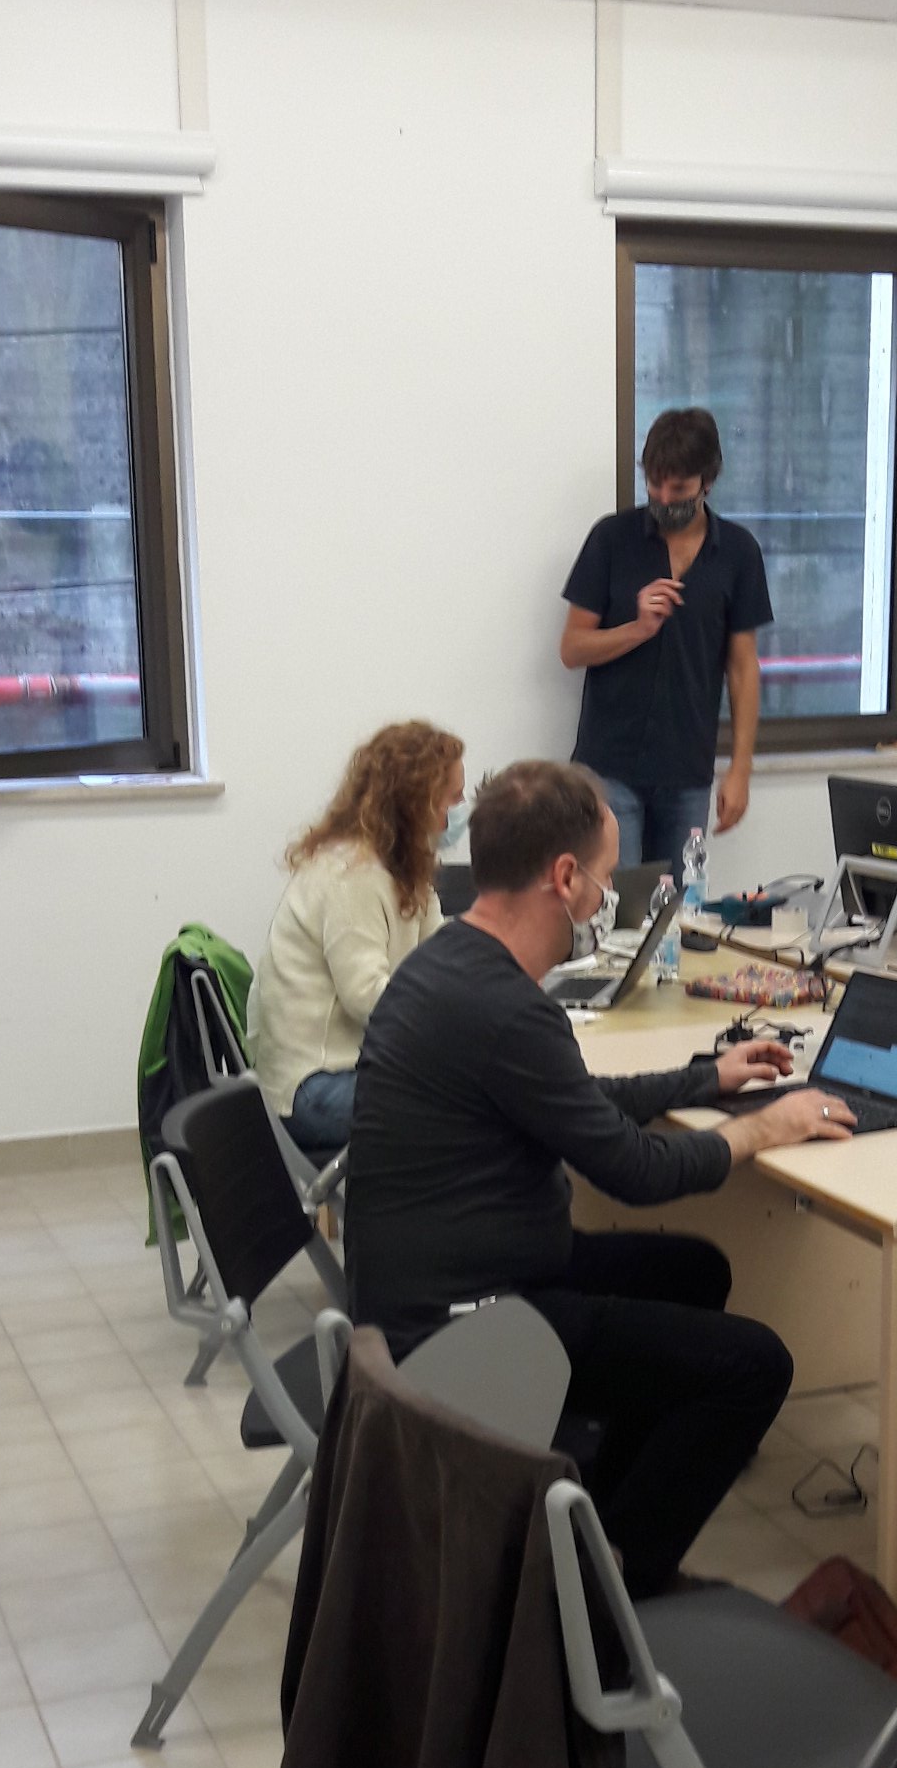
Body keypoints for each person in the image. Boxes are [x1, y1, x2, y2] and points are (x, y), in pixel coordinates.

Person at [345, 759, 851, 1595]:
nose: (607, 897)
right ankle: (614, 1585)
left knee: (696, 1272)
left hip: (440, 1287)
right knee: (754, 1365)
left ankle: (595, 1518)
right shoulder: (507, 1008)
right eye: (607, 878)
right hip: (465, 1325)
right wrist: (767, 1126)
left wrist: (705, 1079)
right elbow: (636, 1172)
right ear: (564, 877)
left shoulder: (449, 966)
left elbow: (572, 1103)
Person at [559, 407, 772, 864]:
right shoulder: (611, 540)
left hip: (687, 770)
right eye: (654, 484)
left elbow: (742, 668)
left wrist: (740, 769)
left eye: (678, 488)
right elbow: (572, 649)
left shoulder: (738, 553)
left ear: (707, 482)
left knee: (680, 901)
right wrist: (637, 629)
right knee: (613, 900)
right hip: (609, 765)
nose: (663, 497)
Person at [250, 722, 464, 1153]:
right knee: (474, 1107)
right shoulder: (353, 874)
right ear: (415, 801)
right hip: (312, 1086)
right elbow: (368, 998)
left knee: (481, 1093)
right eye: (452, 797)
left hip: (350, 1068)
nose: (459, 810)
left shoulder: (404, 866)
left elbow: (442, 953)